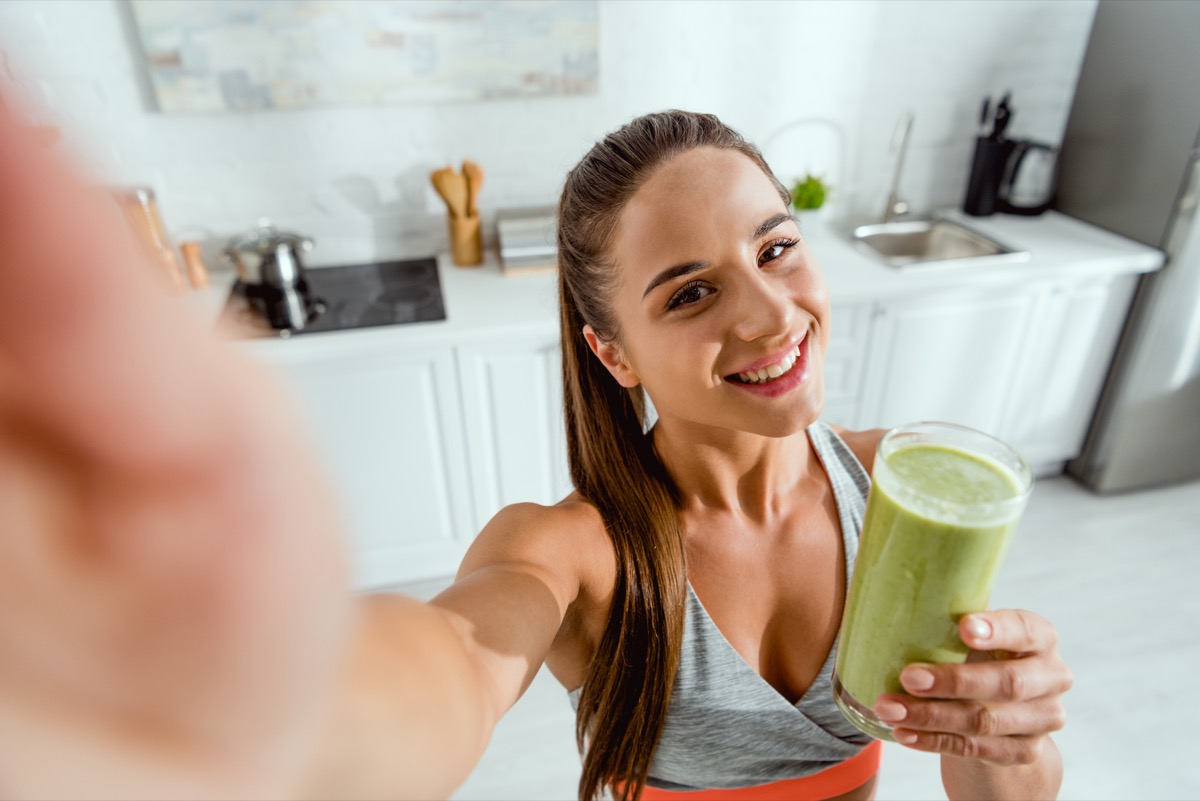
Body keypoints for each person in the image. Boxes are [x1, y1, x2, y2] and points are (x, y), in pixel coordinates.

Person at [0, 98, 1072, 801]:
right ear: (614, 351)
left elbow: (976, 764)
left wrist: (1009, 742)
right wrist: (257, 704)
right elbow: (454, 659)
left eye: (776, 247)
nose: (770, 315)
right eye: (691, 292)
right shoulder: (576, 552)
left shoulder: (909, 490)